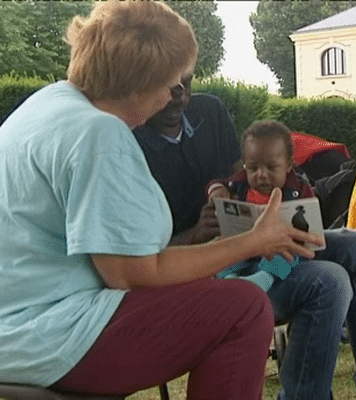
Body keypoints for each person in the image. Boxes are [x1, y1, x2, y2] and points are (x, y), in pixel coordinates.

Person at [0, 2, 324, 399]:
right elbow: (133, 273)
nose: (174, 95)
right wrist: (252, 241)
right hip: (48, 340)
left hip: (17, 329)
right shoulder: (99, 135)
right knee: (244, 307)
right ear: (138, 83)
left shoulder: (43, 107)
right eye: (171, 84)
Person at [133, 76, 356, 400]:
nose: (181, 96)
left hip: (257, 241)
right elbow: (139, 261)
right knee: (329, 279)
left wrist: (258, 197)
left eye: (187, 83)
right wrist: (195, 235)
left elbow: (239, 172)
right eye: (170, 86)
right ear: (145, 75)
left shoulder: (209, 110)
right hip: (207, 271)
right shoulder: (128, 142)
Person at [209, 120, 316, 291]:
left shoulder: (298, 189)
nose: (261, 175)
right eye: (252, 168)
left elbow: (312, 221)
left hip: (279, 248)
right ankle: (228, 278)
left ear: (288, 165)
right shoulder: (239, 184)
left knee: (290, 252)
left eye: (271, 167)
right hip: (245, 246)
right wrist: (217, 190)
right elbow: (217, 183)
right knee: (224, 249)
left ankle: (264, 278)